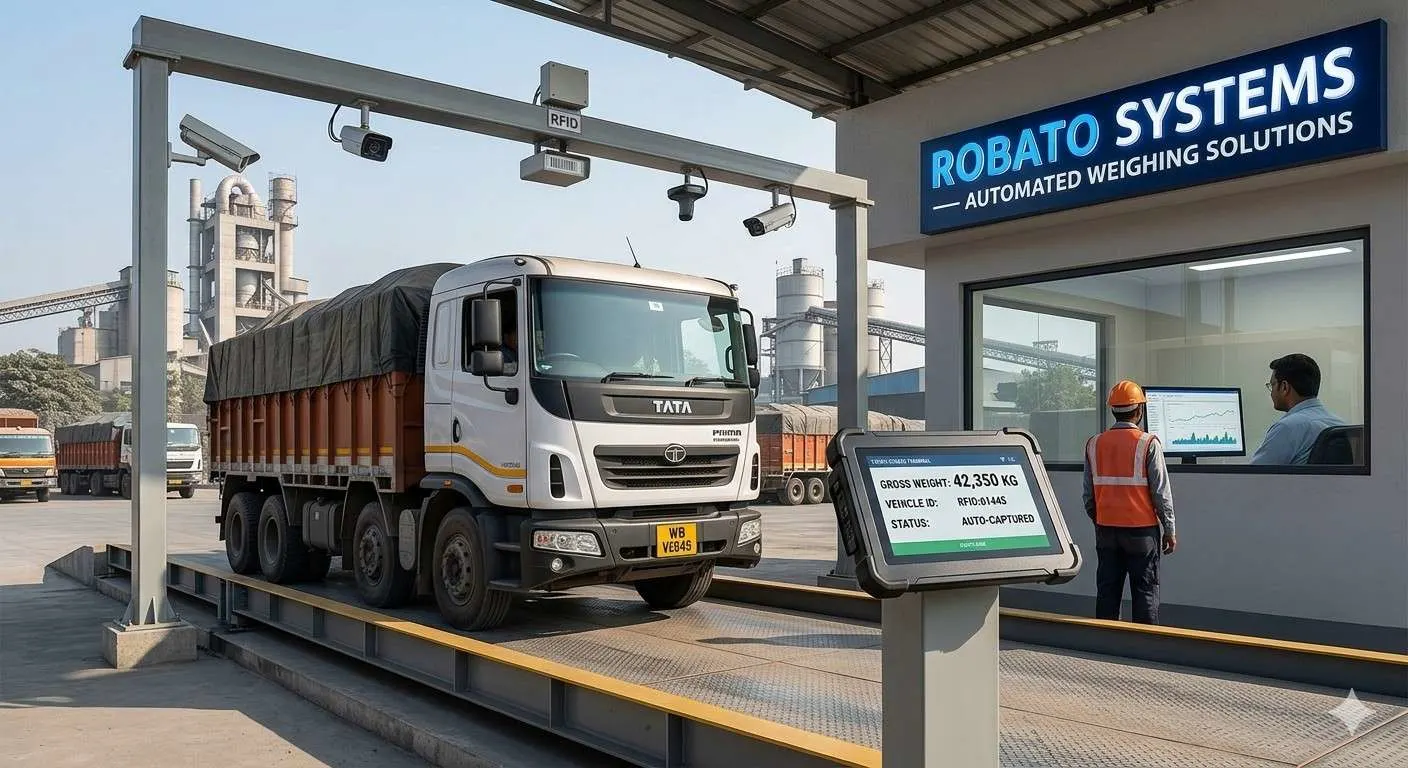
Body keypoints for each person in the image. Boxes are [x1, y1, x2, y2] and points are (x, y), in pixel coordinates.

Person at [1082, 379, 1177, 625]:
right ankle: (1145, 647)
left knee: (1107, 591)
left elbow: (1088, 496)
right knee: (1145, 590)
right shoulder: (1148, 444)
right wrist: (1169, 530)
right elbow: (1160, 492)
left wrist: (1101, 519)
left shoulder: (1094, 443)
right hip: (1141, 533)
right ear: (1139, 411)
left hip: (1106, 531)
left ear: (1113, 410)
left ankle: (1104, 644)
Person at [1249, 354, 1344, 465]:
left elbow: (1253, 477)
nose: (1271, 392)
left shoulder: (1287, 428)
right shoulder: (1339, 424)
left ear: (1284, 387)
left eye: (1272, 385)